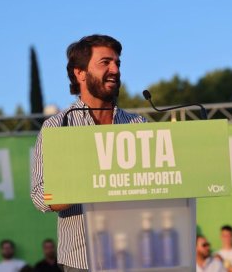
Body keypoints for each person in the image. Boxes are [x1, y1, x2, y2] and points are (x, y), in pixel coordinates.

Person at [31, 34, 146, 272]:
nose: (115, 69)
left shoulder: (138, 125)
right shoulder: (58, 126)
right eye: (105, 62)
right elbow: (40, 194)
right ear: (80, 73)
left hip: (134, 257)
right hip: (81, 262)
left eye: (117, 63)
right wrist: (80, 186)